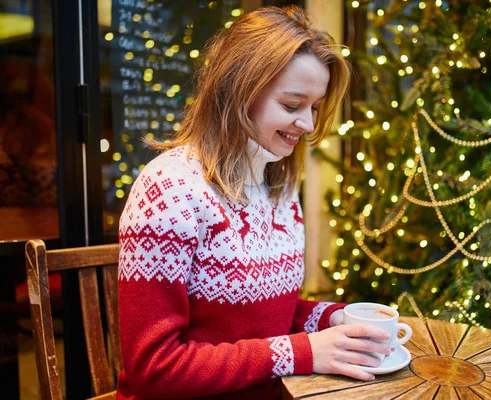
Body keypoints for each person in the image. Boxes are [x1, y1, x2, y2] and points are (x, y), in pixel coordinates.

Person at [117, 6, 391, 400]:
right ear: (238, 90)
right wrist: (302, 351)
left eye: (314, 108)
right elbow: (154, 369)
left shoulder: (276, 183)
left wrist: (333, 317)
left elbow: (263, 316)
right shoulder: (170, 190)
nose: (309, 126)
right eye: (293, 105)